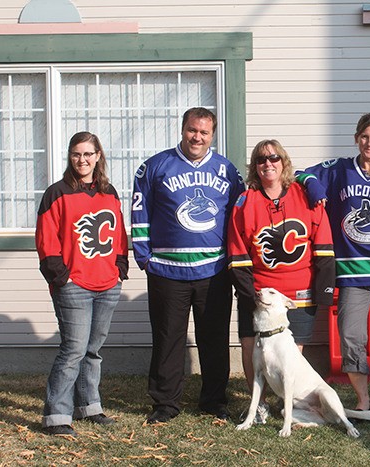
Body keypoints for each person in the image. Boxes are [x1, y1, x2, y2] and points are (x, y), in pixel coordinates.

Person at [131, 107, 245, 423]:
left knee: (214, 338)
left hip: (213, 270)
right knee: (168, 338)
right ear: (183, 130)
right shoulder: (154, 167)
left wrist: (235, 261)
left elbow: (239, 217)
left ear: (212, 135)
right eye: (192, 130)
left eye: (204, 132)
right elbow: (140, 212)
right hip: (167, 269)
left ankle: (213, 401)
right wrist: (145, 257)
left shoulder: (227, 171)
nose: (197, 137)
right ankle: (165, 404)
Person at [296, 113, 370, 411]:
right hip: (352, 270)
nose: (369, 142)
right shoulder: (339, 170)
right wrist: (315, 188)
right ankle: (361, 399)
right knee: (350, 335)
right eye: (364, 136)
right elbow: (302, 174)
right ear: (356, 138)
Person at [228, 139, 335, 421]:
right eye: (261, 159)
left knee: (290, 352)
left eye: (274, 158)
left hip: (298, 290)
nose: (268, 164)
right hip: (260, 291)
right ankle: (259, 404)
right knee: (252, 345)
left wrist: (323, 290)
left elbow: (323, 244)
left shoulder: (305, 195)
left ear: (284, 162)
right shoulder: (246, 202)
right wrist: (248, 292)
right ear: (255, 167)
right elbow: (238, 251)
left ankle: (289, 402)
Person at [36, 131, 129, 437]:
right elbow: (46, 239)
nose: (82, 160)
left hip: (106, 282)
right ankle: (56, 415)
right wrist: (60, 275)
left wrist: (119, 266)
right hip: (74, 283)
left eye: (88, 154)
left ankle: (89, 406)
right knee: (73, 349)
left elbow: (118, 233)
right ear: (70, 156)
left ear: (98, 156)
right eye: (77, 154)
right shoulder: (57, 193)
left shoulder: (109, 192)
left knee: (93, 350)